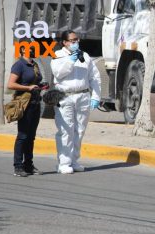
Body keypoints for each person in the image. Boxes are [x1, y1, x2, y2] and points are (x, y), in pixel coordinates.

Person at [50, 30, 101, 174]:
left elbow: (94, 77)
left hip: (83, 95)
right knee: (66, 130)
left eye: (76, 40)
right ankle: (63, 162)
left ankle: (74, 160)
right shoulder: (58, 56)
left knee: (79, 130)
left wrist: (96, 96)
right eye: (72, 40)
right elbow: (59, 73)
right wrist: (70, 61)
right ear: (65, 42)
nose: (75, 42)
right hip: (65, 96)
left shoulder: (84, 56)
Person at [7, 38, 44, 177]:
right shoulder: (19, 65)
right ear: (22, 49)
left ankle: (29, 165)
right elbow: (10, 84)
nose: (33, 48)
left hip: (35, 103)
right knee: (23, 135)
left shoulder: (34, 64)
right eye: (30, 46)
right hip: (24, 104)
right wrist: (28, 87)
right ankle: (18, 166)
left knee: (31, 136)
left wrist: (41, 86)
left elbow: (35, 82)